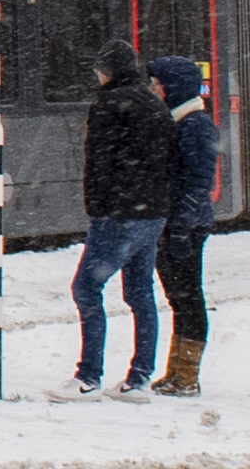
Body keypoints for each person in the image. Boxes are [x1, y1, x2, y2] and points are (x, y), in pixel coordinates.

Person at [68, 41, 169, 394]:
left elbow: (99, 161)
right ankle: (140, 377)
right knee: (141, 292)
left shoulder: (108, 104)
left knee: (86, 287)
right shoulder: (154, 104)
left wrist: (98, 209)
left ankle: (88, 376)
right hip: (152, 215)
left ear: (108, 71)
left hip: (119, 215)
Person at [150, 50, 219, 394]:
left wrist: (180, 227)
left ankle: (187, 376)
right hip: (174, 223)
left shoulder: (195, 125)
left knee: (189, 297)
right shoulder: (177, 120)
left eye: (157, 83)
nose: (153, 89)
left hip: (186, 226)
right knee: (179, 298)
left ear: (173, 87)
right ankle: (176, 372)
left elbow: (197, 184)